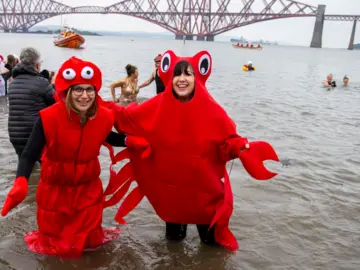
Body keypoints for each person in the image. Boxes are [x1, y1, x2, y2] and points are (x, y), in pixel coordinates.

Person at [102, 50, 279, 252]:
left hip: (204, 193)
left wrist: (241, 149)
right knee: (173, 245)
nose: (182, 79)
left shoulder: (213, 111)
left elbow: (226, 143)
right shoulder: (156, 106)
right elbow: (126, 117)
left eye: (188, 74)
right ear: (170, 76)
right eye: (177, 74)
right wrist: (90, 102)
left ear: (198, 77)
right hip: (172, 194)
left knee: (211, 245)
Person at [0, 56, 129, 258]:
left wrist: (131, 141)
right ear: (67, 91)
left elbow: (109, 136)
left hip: (88, 189)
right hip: (55, 190)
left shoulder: (104, 116)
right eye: (78, 89)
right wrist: (21, 180)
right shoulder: (48, 118)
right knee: (56, 246)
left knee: (89, 244)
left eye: (89, 90)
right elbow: (29, 154)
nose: (84, 96)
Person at [8, 47, 56, 159]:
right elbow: (56, 104)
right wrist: (53, 84)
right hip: (34, 135)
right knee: (45, 167)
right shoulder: (42, 83)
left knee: (24, 166)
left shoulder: (13, 83)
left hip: (15, 136)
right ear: (37, 65)